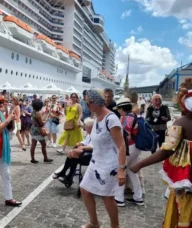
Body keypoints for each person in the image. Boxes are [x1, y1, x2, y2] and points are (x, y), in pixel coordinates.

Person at [130, 78, 192, 228]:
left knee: (184, 210)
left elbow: (166, 151)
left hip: (185, 177)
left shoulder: (182, 123)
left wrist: (139, 165)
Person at [79, 89, 126, 228]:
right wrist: (80, 149)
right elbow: (96, 141)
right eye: (86, 103)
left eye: (90, 103)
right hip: (96, 161)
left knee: (107, 197)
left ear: (99, 102)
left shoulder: (111, 119)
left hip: (109, 164)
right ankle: (94, 222)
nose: (88, 106)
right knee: (85, 190)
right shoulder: (96, 118)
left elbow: (122, 146)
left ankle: (115, 226)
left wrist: (121, 169)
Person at [113, 97, 144, 207]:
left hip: (128, 147)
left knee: (121, 170)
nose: (117, 111)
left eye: (118, 109)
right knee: (132, 172)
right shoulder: (133, 115)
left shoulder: (128, 118)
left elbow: (126, 135)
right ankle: (138, 197)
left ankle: (119, 198)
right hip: (135, 147)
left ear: (122, 108)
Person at [53, 118, 94, 184]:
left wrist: (83, 147)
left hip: (92, 154)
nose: (85, 128)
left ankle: (69, 177)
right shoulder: (89, 134)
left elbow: (93, 146)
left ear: (91, 127)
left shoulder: (95, 134)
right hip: (87, 151)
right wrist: (81, 143)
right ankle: (64, 172)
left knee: (74, 152)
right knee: (71, 152)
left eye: (86, 127)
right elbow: (86, 141)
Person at [29, 99, 53, 164]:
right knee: (43, 144)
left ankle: (32, 158)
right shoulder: (37, 113)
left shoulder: (33, 112)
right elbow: (41, 124)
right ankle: (45, 158)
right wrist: (46, 119)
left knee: (33, 144)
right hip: (38, 130)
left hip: (33, 129)